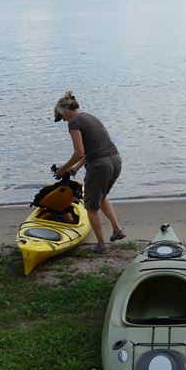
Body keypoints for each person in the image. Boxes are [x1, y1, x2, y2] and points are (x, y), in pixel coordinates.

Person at [52, 91, 125, 252]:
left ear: (64, 111)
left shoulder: (74, 122)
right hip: (115, 160)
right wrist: (76, 167)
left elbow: (79, 152)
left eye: (61, 116)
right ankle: (117, 230)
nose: (63, 120)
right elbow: (92, 149)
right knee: (102, 196)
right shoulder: (90, 117)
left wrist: (62, 170)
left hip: (100, 165)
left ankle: (101, 245)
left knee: (91, 207)